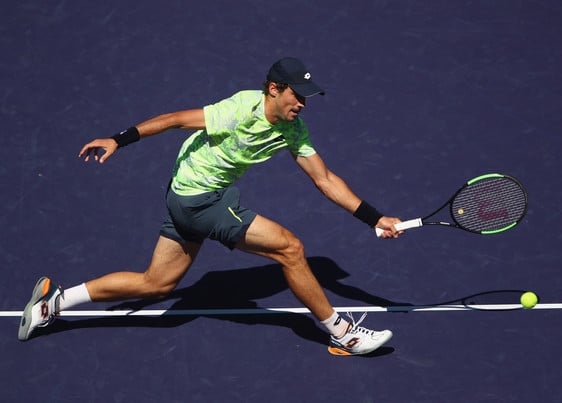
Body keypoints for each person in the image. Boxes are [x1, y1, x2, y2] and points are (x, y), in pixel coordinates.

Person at [18, 57, 402, 356]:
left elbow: (325, 179)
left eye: (306, 98)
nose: (302, 104)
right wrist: (119, 139)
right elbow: (174, 120)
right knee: (291, 249)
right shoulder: (238, 110)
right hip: (200, 199)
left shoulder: (292, 130)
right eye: (296, 96)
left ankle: (54, 303)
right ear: (274, 89)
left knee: (156, 284)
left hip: (184, 197)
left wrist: (374, 218)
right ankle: (342, 332)